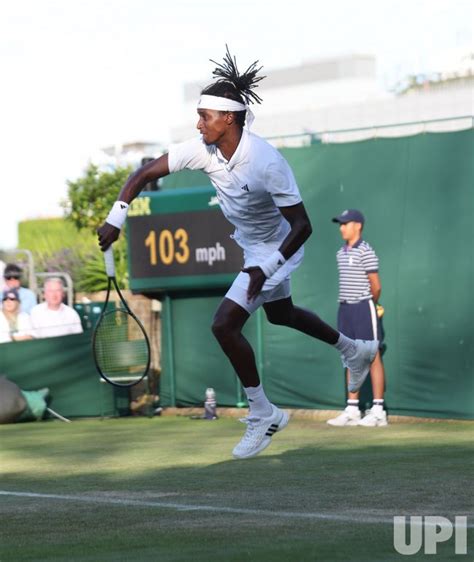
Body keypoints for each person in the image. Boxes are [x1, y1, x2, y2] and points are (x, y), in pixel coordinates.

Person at [97, 47, 378, 459]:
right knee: (282, 314)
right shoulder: (202, 148)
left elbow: (303, 227)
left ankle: (263, 413)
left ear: (228, 118)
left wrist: (269, 267)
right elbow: (141, 174)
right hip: (252, 247)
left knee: (223, 325)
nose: (199, 123)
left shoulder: (267, 161)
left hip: (279, 248)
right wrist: (115, 218)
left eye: (204, 116)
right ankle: (354, 349)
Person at [327, 209, 388, 427]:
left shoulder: (366, 251)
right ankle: (352, 410)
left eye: (345, 223)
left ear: (358, 226)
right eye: (340, 224)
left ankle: (379, 411)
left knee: (372, 355)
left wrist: (370, 303)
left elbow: (376, 286)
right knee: (350, 356)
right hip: (345, 309)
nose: (342, 227)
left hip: (364, 307)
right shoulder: (340, 253)